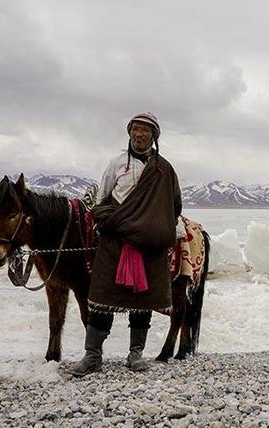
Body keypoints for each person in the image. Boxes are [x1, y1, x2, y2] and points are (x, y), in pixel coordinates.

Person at [70, 112, 182, 376]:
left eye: (145, 131)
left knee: (143, 302)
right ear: (129, 133)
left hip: (148, 247)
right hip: (116, 241)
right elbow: (102, 200)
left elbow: (174, 205)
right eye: (135, 130)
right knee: (100, 299)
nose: (139, 135)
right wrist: (115, 221)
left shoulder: (164, 169)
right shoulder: (117, 164)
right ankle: (92, 356)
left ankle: (136, 355)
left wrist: (154, 227)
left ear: (154, 136)